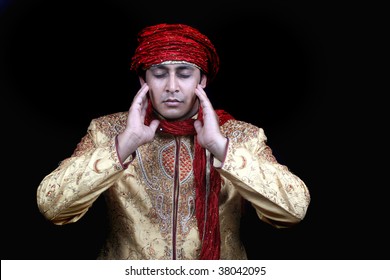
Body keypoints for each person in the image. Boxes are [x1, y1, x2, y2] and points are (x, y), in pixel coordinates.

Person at [36, 23, 311, 260]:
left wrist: (221, 148)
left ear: (201, 80)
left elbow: (294, 211)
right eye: (159, 74)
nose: (171, 86)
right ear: (143, 79)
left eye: (183, 73)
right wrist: (124, 144)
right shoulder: (108, 131)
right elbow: (52, 207)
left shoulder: (241, 136)